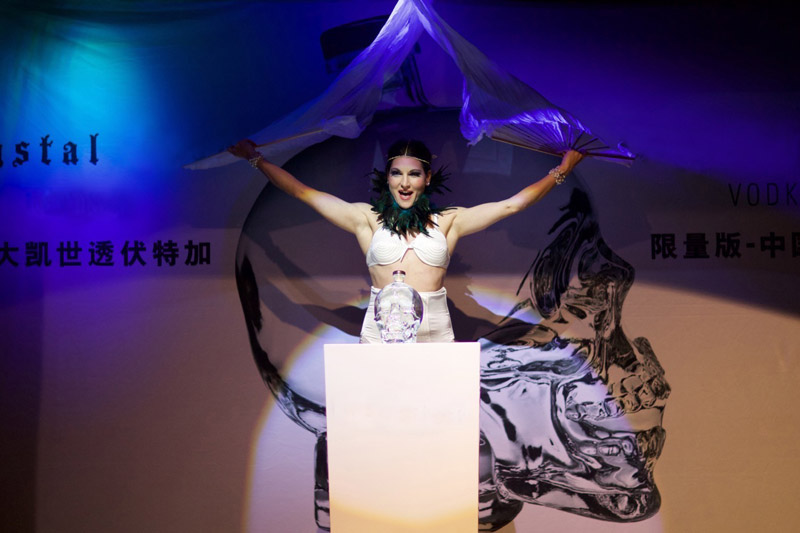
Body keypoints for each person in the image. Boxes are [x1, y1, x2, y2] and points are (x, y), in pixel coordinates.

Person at [228, 138, 583, 343]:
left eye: (414, 174)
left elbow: (512, 205)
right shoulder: (366, 218)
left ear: (427, 178)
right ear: (387, 178)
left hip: (435, 328)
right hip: (381, 328)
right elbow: (302, 192)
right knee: (382, 420)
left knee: (437, 421)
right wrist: (255, 159)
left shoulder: (449, 220)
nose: (404, 183)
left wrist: (563, 170)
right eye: (396, 173)